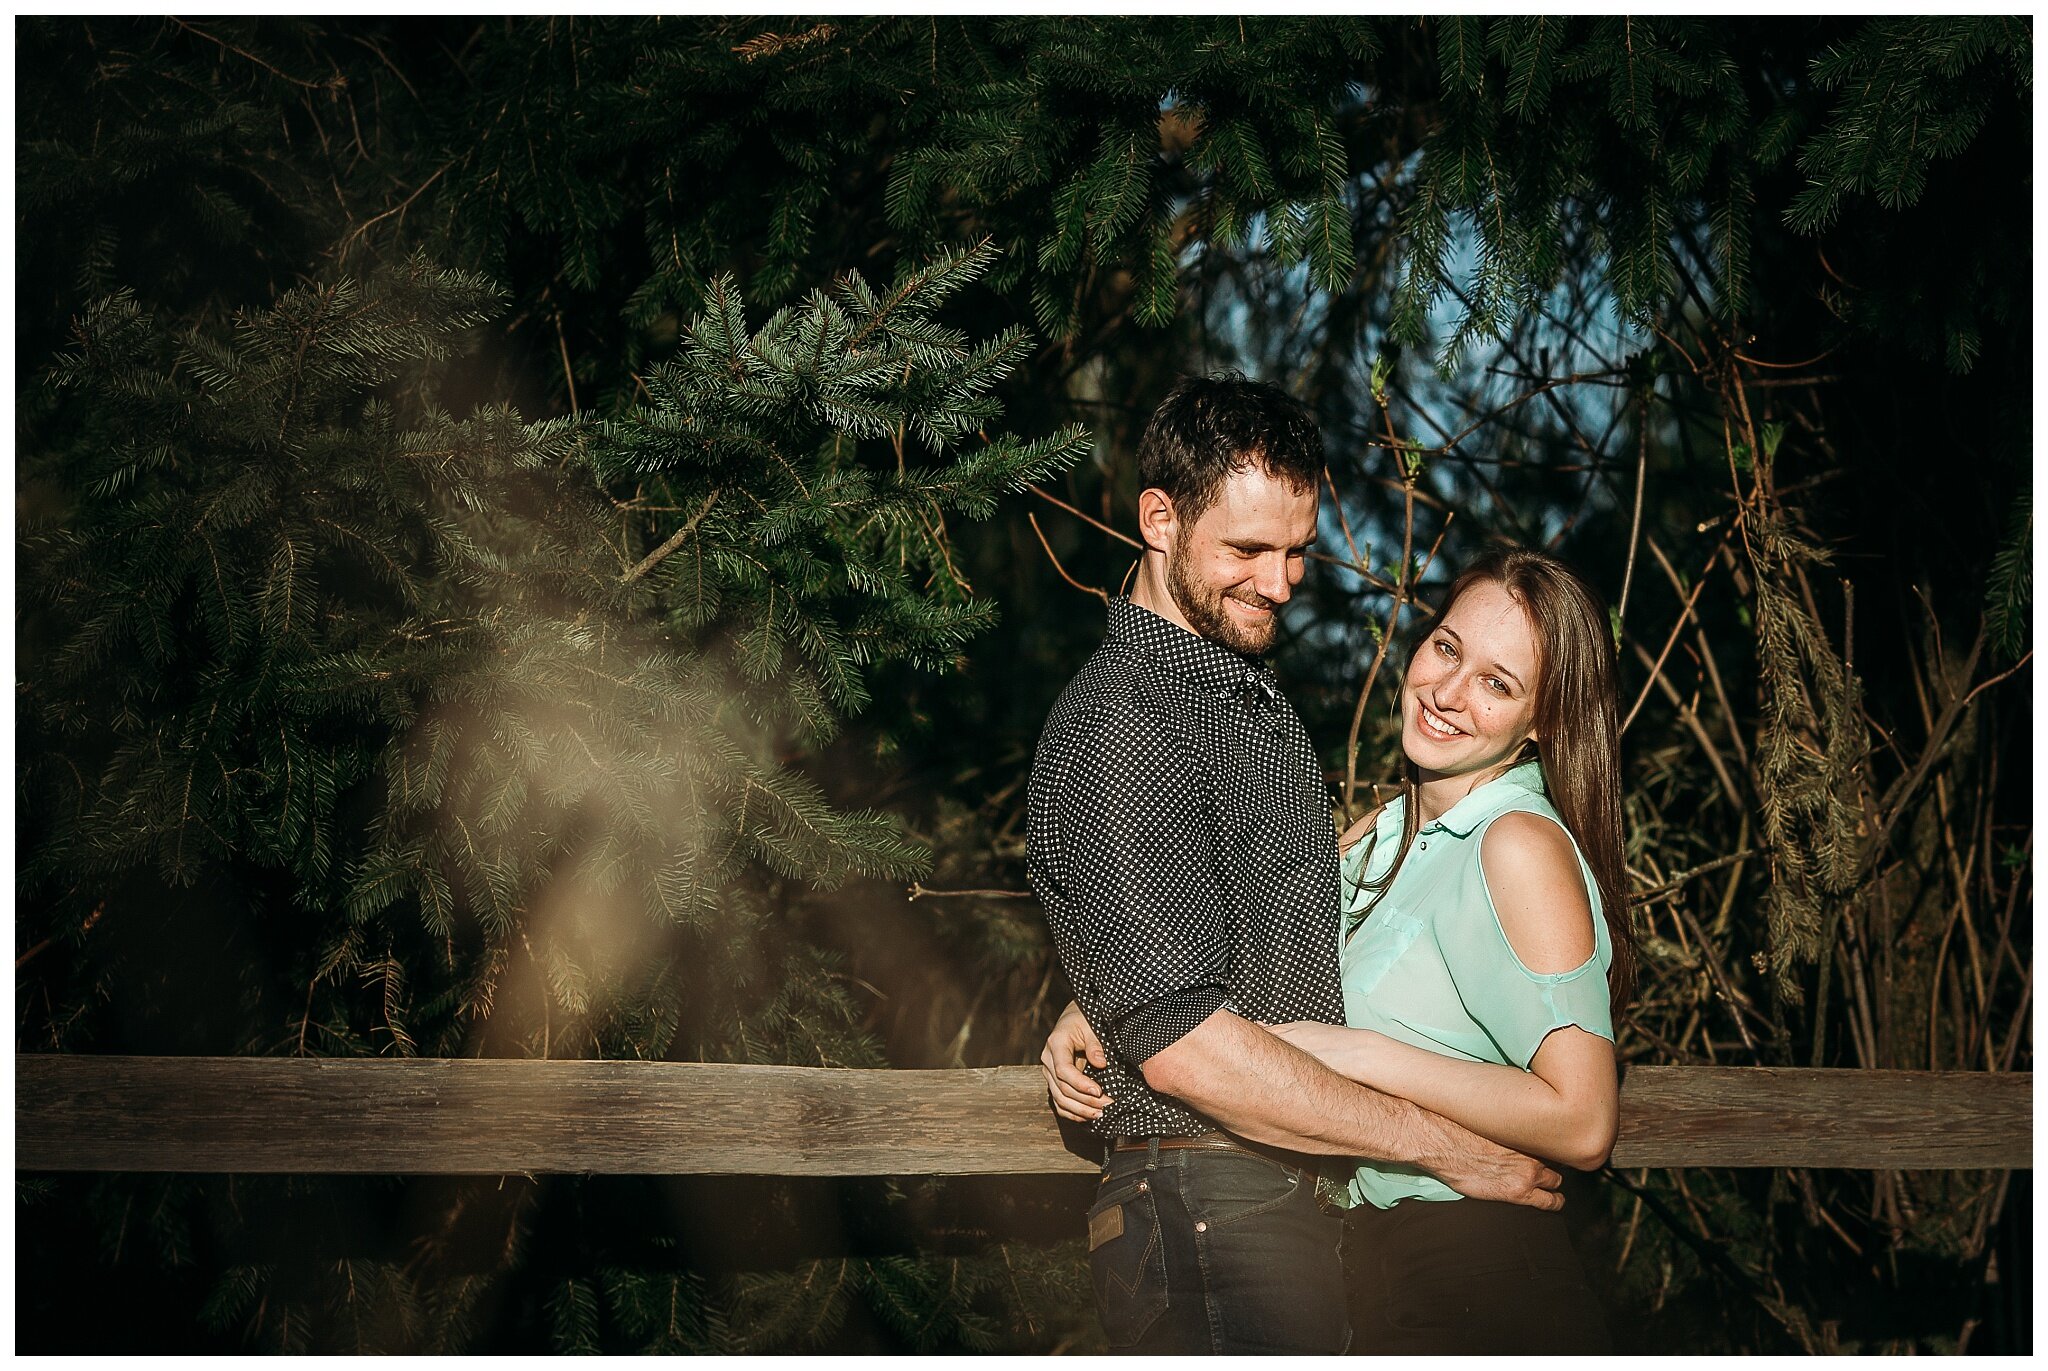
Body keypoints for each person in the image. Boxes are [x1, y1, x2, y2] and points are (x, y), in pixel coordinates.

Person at [1027, 375, 1564, 1356]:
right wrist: (1442, 1146)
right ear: (1158, 519)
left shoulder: (1233, 700)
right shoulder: (1125, 723)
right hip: (1202, 1202)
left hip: (1275, 1197)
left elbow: (1244, 928)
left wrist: (1098, 993)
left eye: (1295, 552)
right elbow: (1188, 1047)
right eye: (1245, 550)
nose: (1279, 583)